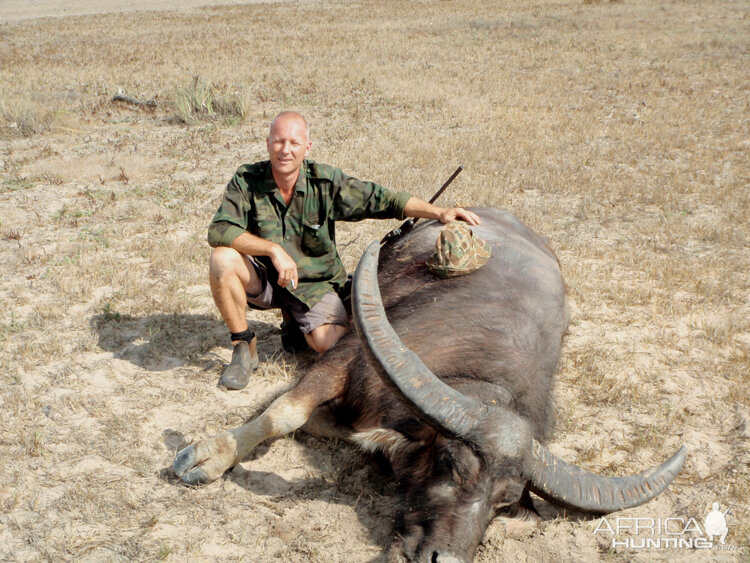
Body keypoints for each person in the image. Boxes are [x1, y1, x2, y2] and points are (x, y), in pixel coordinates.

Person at [207, 111, 480, 390]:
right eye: (278, 142)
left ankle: (297, 321)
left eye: (294, 143)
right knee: (222, 259)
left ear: (307, 147)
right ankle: (243, 346)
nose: (285, 150)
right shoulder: (246, 180)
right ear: (267, 144)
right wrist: (273, 249)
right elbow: (219, 230)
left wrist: (438, 211)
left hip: (314, 284)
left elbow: (382, 199)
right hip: (268, 278)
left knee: (330, 345)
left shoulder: (325, 182)